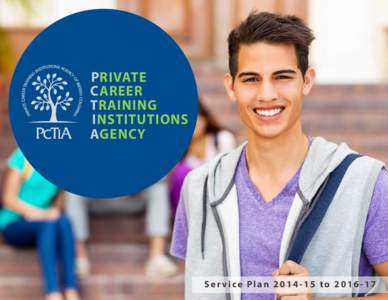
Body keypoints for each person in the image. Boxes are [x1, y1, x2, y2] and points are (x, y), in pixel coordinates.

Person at [170, 12, 388, 300]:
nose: (267, 94)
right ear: (230, 86)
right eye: (251, 79)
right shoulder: (199, 187)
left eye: (282, 77)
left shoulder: (366, 183)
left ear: (306, 81)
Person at [0, 148, 79, 300]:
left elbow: (58, 202)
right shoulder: (21, 157)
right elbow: (8, 199)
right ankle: (53, 293)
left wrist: (51, 212)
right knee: (49, 224)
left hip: (42, 225)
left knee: (64, 222)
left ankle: (71, 290)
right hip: (14, 223)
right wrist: (38, 213)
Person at [65, 179, 177, 279]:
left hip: (133, 200)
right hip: (98, 200)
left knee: (158, 188)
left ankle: (156, 257)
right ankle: (79, 258)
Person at [169, 100, 236, 215]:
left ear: (204, 118)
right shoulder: (180, 152)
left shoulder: (222, 139)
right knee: (180, 173)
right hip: (192, 206)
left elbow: (228, 175)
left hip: (220, 199)